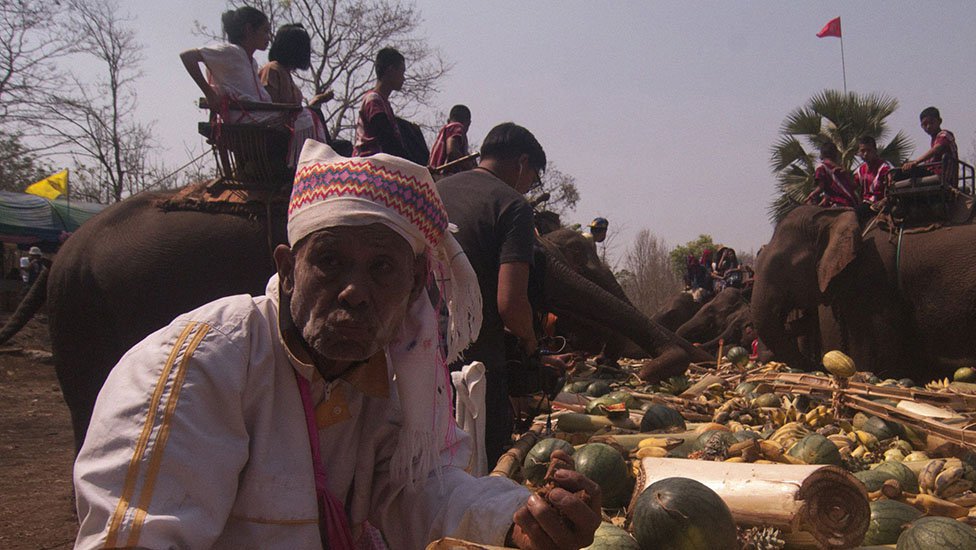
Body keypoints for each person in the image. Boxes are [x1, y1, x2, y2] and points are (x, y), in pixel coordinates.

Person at [73, 140, 601, 549]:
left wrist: (517, 521)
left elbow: (422, 488)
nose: (354, 291)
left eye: (382, 269)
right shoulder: (204, 367)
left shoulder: (393, 373)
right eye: (329, 261)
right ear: (287, 268)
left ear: (415, 287)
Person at [436, 123, 547, 468]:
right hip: (476, 368)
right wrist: (530, 342)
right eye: (533, 177)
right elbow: (510, 304)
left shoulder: (434, 191)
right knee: (483, 474)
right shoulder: (513, 206)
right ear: (522, 163)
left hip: (420, 358)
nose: (529, 186)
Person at [180, 7, 320, 165]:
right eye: (265, 31)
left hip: (258, 118)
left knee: (308, 116)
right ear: (248, 30)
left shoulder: (250, 61)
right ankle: (300, 168)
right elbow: (187, 56)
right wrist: (209, 93)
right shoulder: (231, 51)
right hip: (249, 121)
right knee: (305, 117)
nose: (268, 37)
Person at [259, 23, 336, 150]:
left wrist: (314, 102)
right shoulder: (272, 69)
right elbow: (270, 109)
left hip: (292, 133)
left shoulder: (286, 73)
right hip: (279, 136)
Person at [354, 48, 430, 165]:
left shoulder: (383, 103)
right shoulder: (373, 100)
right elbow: (387, 139)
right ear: (390, 70)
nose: (403, 78)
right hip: (369, 163)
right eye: (401, 72)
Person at [896, 106, 959, 187]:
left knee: (903, 173)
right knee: (900, 171)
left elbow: (936, 149)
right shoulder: (934, 139)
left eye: (931, 122)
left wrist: (915, 162)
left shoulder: (945, 134)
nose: (928, 126)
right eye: (924, 124)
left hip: (945, 176)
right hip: (932, 173)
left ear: (939, 121)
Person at [852, 135, 893, 222]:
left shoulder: (884, 168)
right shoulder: (860, 170)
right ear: (859, 153)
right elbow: (852, 186)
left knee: (855, 214)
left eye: (869, 150)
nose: (866, 154)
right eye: (862, 151)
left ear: (875, 151)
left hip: (877, 204)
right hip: (865, 203)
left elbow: (890, 187)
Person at [804, 142, 858, 207]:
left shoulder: (822, 168)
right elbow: (853, 186)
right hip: (853, 202)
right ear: (836, 154)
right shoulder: (840, 168)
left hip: (839, 202)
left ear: (821, 155)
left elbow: (820, 187)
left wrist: (810, 196)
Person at [430, 104, 477, 175]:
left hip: (433, 174)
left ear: (448, 120)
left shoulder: (444, 132)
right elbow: (452, 151)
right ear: (468, 123)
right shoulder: (456, 127)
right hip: (444, 175)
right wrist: (469, 167)